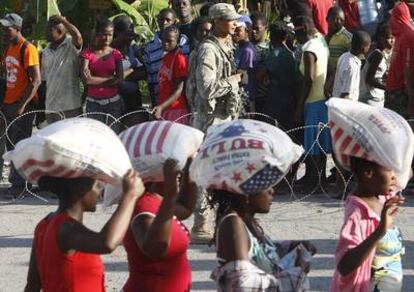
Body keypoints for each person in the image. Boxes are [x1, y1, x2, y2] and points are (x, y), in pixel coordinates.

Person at [24, 170, 145, 292]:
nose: (100, 192)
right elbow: (107, 243)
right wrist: (130, 196)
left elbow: (32, 285)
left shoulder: (45, 224)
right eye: (97, 186)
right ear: (82, 189)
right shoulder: (66, 229)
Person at [186, 3, 244, 243]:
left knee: (225, 172)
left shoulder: (226, 45)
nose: (235, 24)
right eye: (230, 20)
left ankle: (222, 221)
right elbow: (206, 88)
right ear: (217, 21)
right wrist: (234, 80)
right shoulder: (208, 50)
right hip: (210, 120)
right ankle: (201, 225)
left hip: (225, 118)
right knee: (206, 173)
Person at [209, 188, 316, 290]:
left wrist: (291, 247)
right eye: (265, 187)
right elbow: (242, 284)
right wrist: (296, 273)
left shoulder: (247, 220)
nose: (272, 191)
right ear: (246, 194)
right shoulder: (233, 224)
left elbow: (260, 252)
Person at [330, 158, 405, 292]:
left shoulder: (382, 198)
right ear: (368, 173)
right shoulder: (358, 214)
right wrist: (379, 231)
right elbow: (344, 266)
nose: (394, 176)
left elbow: (406, 172)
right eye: (389, 170)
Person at [122, 159, 197, 292]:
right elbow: (155, 248)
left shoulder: (158, 201)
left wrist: (191, 165)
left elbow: (186, 207)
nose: (178, 174)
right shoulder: (143, 208)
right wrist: (170, 195)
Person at [0, 13, 41, 198]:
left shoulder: (28, 48)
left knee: (20, 146)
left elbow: (36, 80)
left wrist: (22, 105)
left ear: (17, 28)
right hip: (8, 103)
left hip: (22, 105)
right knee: (12, 145)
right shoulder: (9, 48)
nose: (4, 32)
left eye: (8, 29)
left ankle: (20, 187)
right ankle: (16, 184)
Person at [294, 16, 331, 191]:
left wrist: (299, 106)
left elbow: (309, 78)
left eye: (296, 33)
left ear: (302, 30)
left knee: (314, 144)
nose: (295, 38)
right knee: (320, 142)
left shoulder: (309, 49)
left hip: (312, 101)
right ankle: (318, 179)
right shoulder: (321, 42)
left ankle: (316, 182)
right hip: (322, 99)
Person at [80, 18, 123, 131]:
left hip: (113, 103)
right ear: (97, 34)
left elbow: (119, 79)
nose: (107, 38)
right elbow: (86, 80)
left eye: (110, 35)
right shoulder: (87, 53)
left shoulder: (116, 54)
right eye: (104, 34)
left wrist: (94, 80)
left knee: (113, 135)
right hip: (93, 103)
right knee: (95, 136)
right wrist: (111, 79)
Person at [144, 8, 190, 107]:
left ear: (174, 22)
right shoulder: (150, 47)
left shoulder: (184, 44)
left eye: (168, 20)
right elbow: (151, 78)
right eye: (161, 20)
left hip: (179, 104)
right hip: (160, 102)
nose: (164, 23)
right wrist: (155, 103)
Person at [41, 15, 83, 124]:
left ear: (59, 31)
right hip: (51, 107)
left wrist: (63, 20)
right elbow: (45, 80)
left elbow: (78, 36)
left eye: (48, 30)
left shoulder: (70, 45)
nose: (45, 32)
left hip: (70, 106)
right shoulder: (46, 51)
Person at [261, 22, 300, 130]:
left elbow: (259, 75)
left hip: (276, 97)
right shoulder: (291, 54)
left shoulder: (275, 54)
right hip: (290, 96)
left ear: (271, 37)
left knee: (271, 128)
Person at [112, 15, 146, 127]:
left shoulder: (133, 47)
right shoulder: (108, 49)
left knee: (133, 128)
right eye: (128, 32)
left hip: (133, 97)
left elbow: (144, 71)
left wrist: (126, 74)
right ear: (117, 32)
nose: (131, 35)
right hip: (114, 98)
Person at [153, 25, 189, 124]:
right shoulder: (166, 57)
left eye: (169, 41)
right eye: (163, 40)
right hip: (165, 109)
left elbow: (179, 90)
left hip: (176, 110)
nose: (165, 43)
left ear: (177, 41)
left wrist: (161, 106)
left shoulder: (179, 59)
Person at [386, 0, 414, 117]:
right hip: (394, 91)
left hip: (400, 94)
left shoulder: (408, 36)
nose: (390, 21)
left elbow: (408, 70)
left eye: (393, 17)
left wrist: (411, 100)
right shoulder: (401, 35)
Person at [360, 24, 394, 107]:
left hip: (369, 96)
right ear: (381, 38)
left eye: (393, 38)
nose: (392, 41)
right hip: (371, 98)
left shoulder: (376, 50)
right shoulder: (378, 54)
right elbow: (369, 79)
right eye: (389, 38)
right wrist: (388, 87)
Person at [333, 31, 371, 101]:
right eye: (369, 46)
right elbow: (346, 94)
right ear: (364, 49)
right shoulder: (353, 66)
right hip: (344, 106)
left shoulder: (344, 56)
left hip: (336, 101)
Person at [324, 6, 352, 98]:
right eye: (336, 19)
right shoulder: (324, 37)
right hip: (325, 78)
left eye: (341, 19)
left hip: (338, 81)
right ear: (327, 19)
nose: (339, 22)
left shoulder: (347, 38)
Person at [233, 16, 258, 112]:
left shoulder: (248, 51)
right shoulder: (239, 48)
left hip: (246, 98)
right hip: (240, 96)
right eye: (234, 30)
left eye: (238, 30)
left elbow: (242, 77)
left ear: (247, 31)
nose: (235, 33)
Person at [250, 12, 269, 115]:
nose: (253, 31)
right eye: (251, 28)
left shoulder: (269, 49)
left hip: (264, 98)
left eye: (257, 28)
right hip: (248, 98)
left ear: (265, 28)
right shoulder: (245, 46)